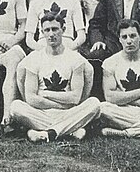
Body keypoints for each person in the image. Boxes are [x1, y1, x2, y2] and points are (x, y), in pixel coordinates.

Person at [11, 12, 101, 143]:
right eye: (47, 30)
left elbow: (75, 98)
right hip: (42, 112)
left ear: (63, 30)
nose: (51, 34)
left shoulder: (75, 59)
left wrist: (45, 94)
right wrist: (62, 104)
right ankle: (68, 130)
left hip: (68, 112)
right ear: (42, 32)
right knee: (16, 107)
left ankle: (46, 132)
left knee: (94, 103)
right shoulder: (34, 59)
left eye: (55, 29)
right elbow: (30, 99)